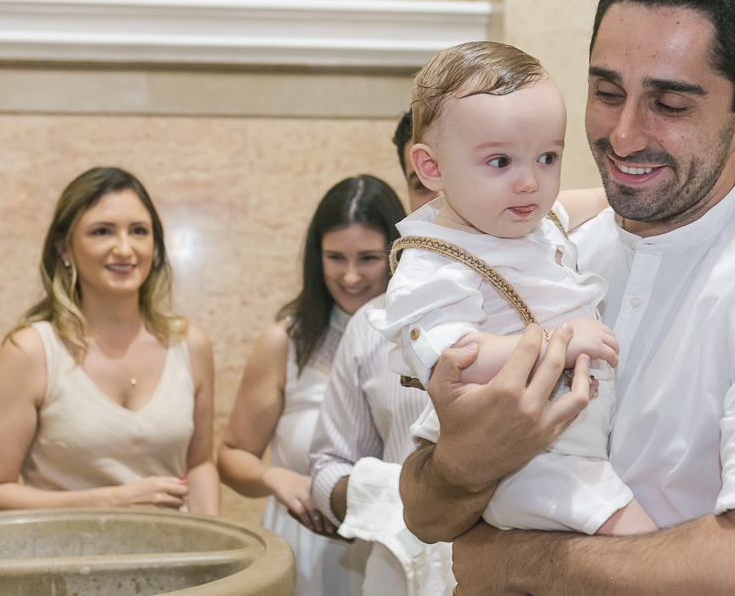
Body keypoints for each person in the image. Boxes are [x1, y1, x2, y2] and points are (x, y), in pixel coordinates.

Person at [399, 0, 735, 595]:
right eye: (607, 93)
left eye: (670, 105)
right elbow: (423, 509)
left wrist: (515, 563)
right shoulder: (546, 248)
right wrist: (463, 465)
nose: (624, 134)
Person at [369, 41, 653, 537]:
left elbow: (592, 202)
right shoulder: (433, 262)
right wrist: (558, 343)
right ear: (431, 168)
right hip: (531, 463)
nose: (530, 183)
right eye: (500, 162)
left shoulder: (532, 220)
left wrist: (633, 192)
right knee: (644, 547)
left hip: (572, 444)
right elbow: (456, 358)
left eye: (547, 157)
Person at [0, 167, 218, 515]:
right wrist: (111, 502)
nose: (125, 249)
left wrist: (212, 538)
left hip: (177, 548)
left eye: (139, 231)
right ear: (64, 249)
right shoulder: (31, 352)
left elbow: (199, 465)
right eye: (102, 232)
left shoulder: (190, 345)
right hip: (66, 549)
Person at [218, 174, 405, 596]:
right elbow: (231, 455)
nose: (351, 276)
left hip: (393, 549)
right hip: (303, 547)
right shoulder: (287, 341)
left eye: (368, 258)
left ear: (396, 253)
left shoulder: (419, 340)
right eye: (335, 258)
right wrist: (278, 479)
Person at [306, 111, 448, 595]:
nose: (444, 197)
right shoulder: (372, 324)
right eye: (423, 182)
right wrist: (400, 496)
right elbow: (328, 467)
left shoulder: (551, 307)